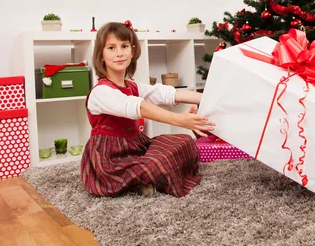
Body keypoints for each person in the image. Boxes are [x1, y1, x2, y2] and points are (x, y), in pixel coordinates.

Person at [80, 20, 215, 197]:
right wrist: (180, 120)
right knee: (158, 162)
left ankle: (142, 178)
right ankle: (139, 180)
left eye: (124, 46)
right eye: (111, 48)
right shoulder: (101, 92)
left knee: (185, 142)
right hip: (109, 158)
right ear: (101, 54)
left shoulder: (134, 86)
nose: (119, 53)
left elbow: (170, 94)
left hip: (137, 146)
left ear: (132, 50)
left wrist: (212, 100)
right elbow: (138, 107)